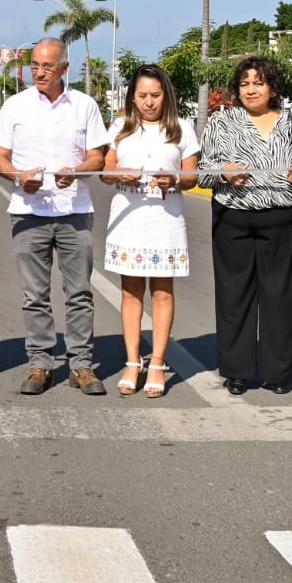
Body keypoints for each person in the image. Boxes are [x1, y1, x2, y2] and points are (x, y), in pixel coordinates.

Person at [198, 56, 292, 396]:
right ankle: (237, 370)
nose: (251, 89)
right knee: (234, 296)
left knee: (279, 296)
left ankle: (278, 372)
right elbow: (203, 168)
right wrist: (223, 171)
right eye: (244, 83)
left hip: (282, 218)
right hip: (232, 217)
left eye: (258, 82)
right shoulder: (222, 121)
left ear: (273, 87)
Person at [0, 38, 109, 395]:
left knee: (79, 293)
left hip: (74, 211)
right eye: (35, 66)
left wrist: (77, 170)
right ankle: (40, 364)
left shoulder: (85, 106)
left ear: (64, 69)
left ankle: (81, 366)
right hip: (28, 213)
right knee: (34, 295)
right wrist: (17, 177)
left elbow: (98, 158)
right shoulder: (15, 105)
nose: (40, 73)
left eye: (48, 66)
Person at [100, 64, 199, 398]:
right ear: (132, 97)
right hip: (129, 217)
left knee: (162, 291)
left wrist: (173, 179)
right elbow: (105, 171)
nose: (149, 102)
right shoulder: (120, 127)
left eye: (155, 95)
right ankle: (132, 361)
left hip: (165, 218)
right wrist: (119, 173)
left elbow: (192, 177)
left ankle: (157, 361)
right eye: (142, 95)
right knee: (130, 292)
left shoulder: (182, 129)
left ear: (165, 95)